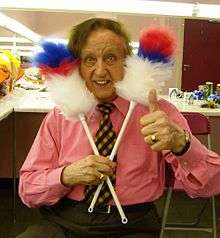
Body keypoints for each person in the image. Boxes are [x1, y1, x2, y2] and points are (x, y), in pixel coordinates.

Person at [17, 18, 220, 238]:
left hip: (133, 224)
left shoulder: (157, 112)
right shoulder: (60, 115)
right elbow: (28, 190)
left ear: (127, 64)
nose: (101, 71)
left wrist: (182, 144)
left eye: (111, 58)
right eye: (90, 60)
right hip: (64, 221)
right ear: (78, 68)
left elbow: (211, 185)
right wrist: (65, 176)